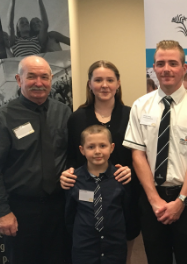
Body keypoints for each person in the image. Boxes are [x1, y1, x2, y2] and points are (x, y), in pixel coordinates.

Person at [123, 40, 187, 264]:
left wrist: (181, 200)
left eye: (173, 63)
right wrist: (154, 200)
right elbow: (138, 155)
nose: (166, 69)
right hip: (151, 197)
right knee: (156, 258)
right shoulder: (140, 106)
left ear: (184, 68)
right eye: (161, 64)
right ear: (154, 67)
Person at [0, 55, 71, 263]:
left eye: (44, 77)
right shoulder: (3, 117)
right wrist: (2, 212)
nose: (39, 83)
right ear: (19, 80)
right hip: (20, 210)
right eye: (32, 77)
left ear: (51, 79)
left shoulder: (63, 112)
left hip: (58, 209)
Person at [59, 60, 136, 263]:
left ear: (118, 83)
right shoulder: (77, 118)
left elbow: (141, 155)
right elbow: (71, 156)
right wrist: (67, 173)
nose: (104, 85)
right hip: (86, 193)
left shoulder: (131, 115)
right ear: (90, 84)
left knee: (119, 252)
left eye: (110, 80)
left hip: (123, 192)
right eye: (98, 80)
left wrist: (132, 172)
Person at [66, 125, 129, 264]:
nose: (97, 151)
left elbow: (127, 211)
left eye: (102, 146)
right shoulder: (74, 180)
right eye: (91, 147)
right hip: (84, 248)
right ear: (82, 150)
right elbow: (69, 215)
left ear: (111, 148)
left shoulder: (120, 178)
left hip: (114, 247)